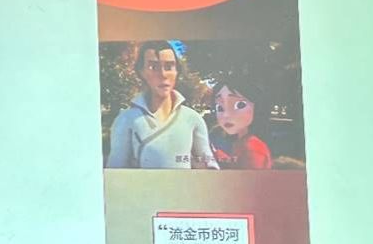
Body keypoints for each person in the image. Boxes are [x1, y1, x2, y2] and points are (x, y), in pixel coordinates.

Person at [106, 40, 217, 169]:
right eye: (153, 67)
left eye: (169, 67)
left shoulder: (192, 118)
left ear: (177, 71)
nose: (163, 75)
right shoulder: (126, 120)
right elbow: (115, 171)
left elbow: (209, 163)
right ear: (141, 72)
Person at [210, 78, 272, 169]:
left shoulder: (252, 149)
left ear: (258, 108)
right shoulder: (243, 142)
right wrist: (216, 154)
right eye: (220, 107)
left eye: (240, 105)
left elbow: (248, 177)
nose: (226, 115)